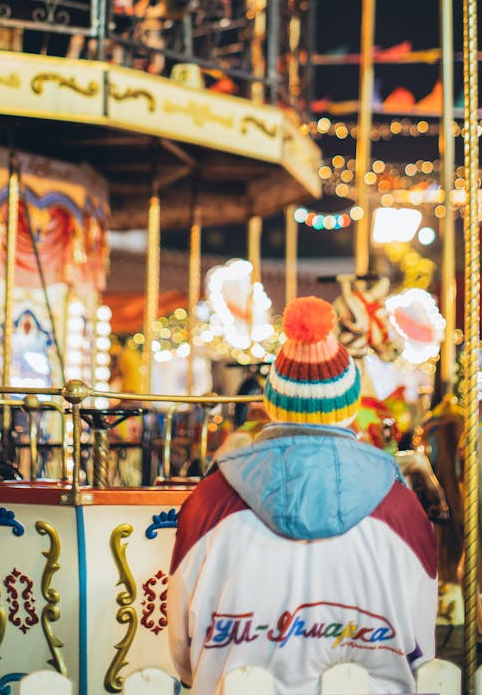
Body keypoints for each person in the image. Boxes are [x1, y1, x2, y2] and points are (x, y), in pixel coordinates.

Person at [168, 295, 437, 695]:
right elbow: (421, 646)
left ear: (272, 404)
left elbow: (182, 644)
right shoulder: (400, 506)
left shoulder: (210, 499)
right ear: (350, 407)